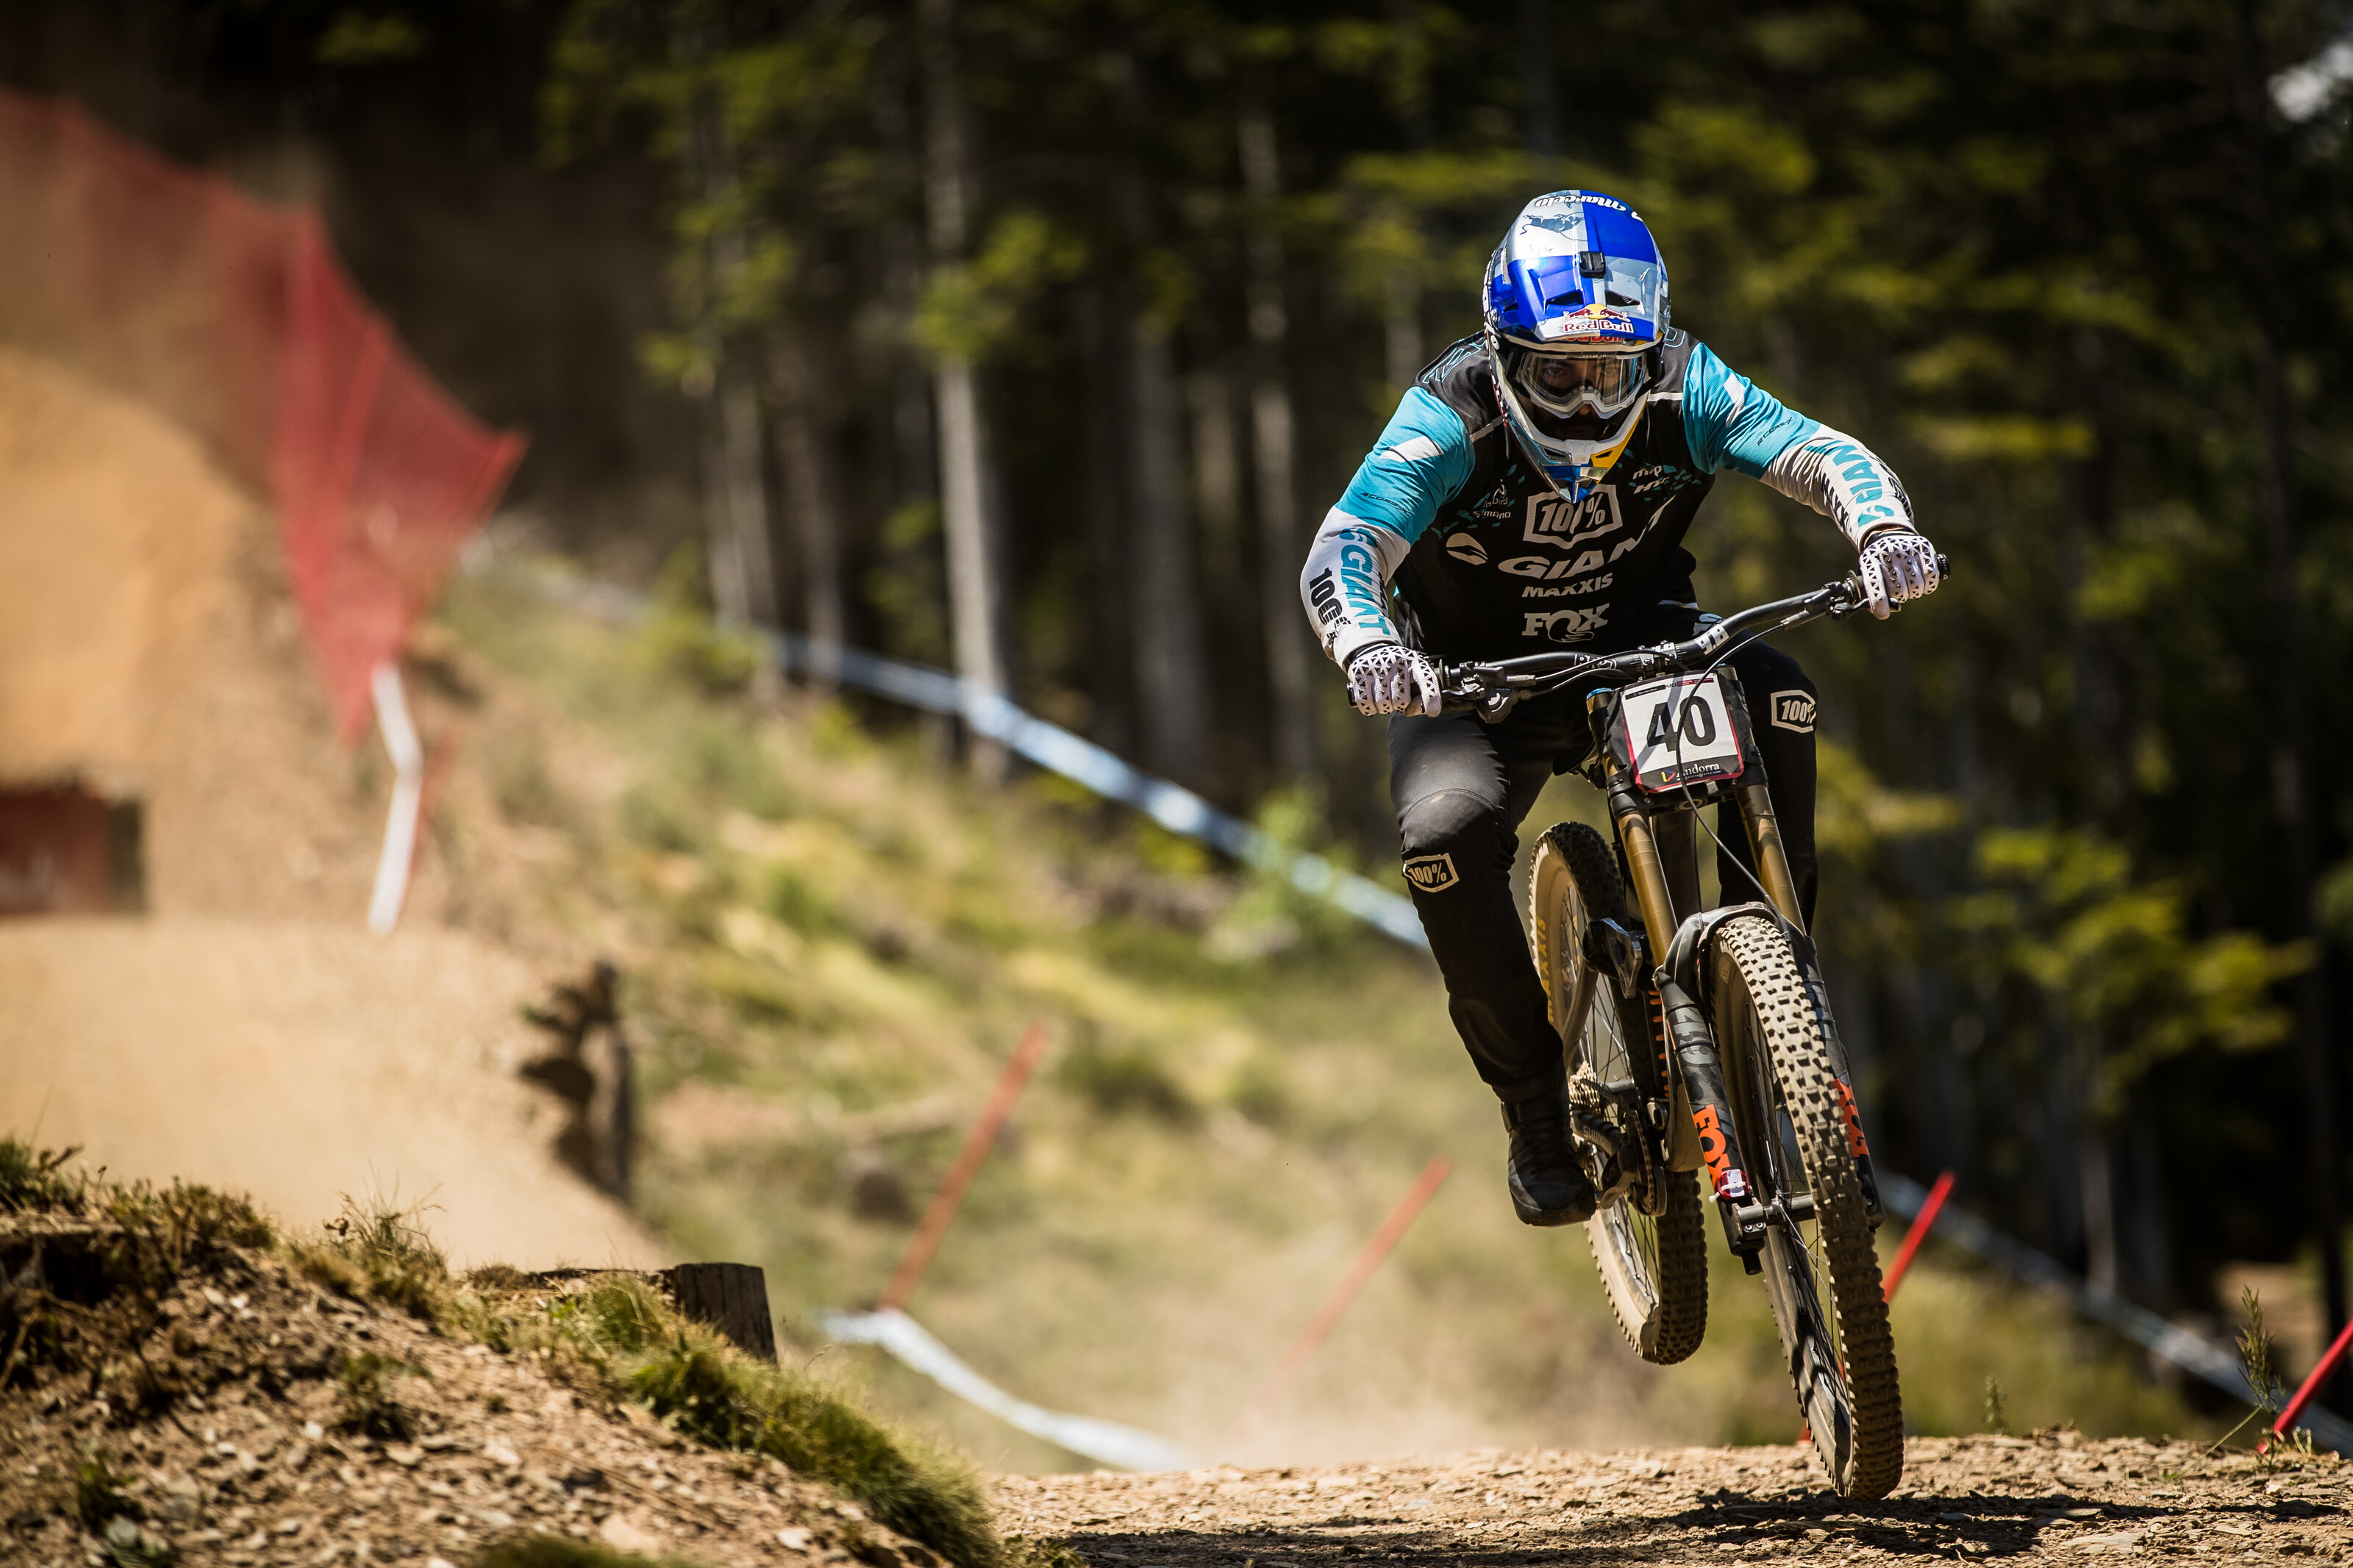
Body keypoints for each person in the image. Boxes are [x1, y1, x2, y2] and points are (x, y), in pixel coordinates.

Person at [1298, 190, 1940, 1227]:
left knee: (1782, 699)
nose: (1593, 404)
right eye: (1562, 373)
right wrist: (1368, 641)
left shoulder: (1689, 383)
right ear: (1506, 353)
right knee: (1445, 836)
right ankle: (1533, 1109)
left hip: (1644, 647)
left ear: (1650, 350)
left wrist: (1880, 528)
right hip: (1475, 682)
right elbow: (1346, 547)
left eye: (1614, 371)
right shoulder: (1450, 414)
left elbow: (1821, 449)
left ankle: (1771, 994)